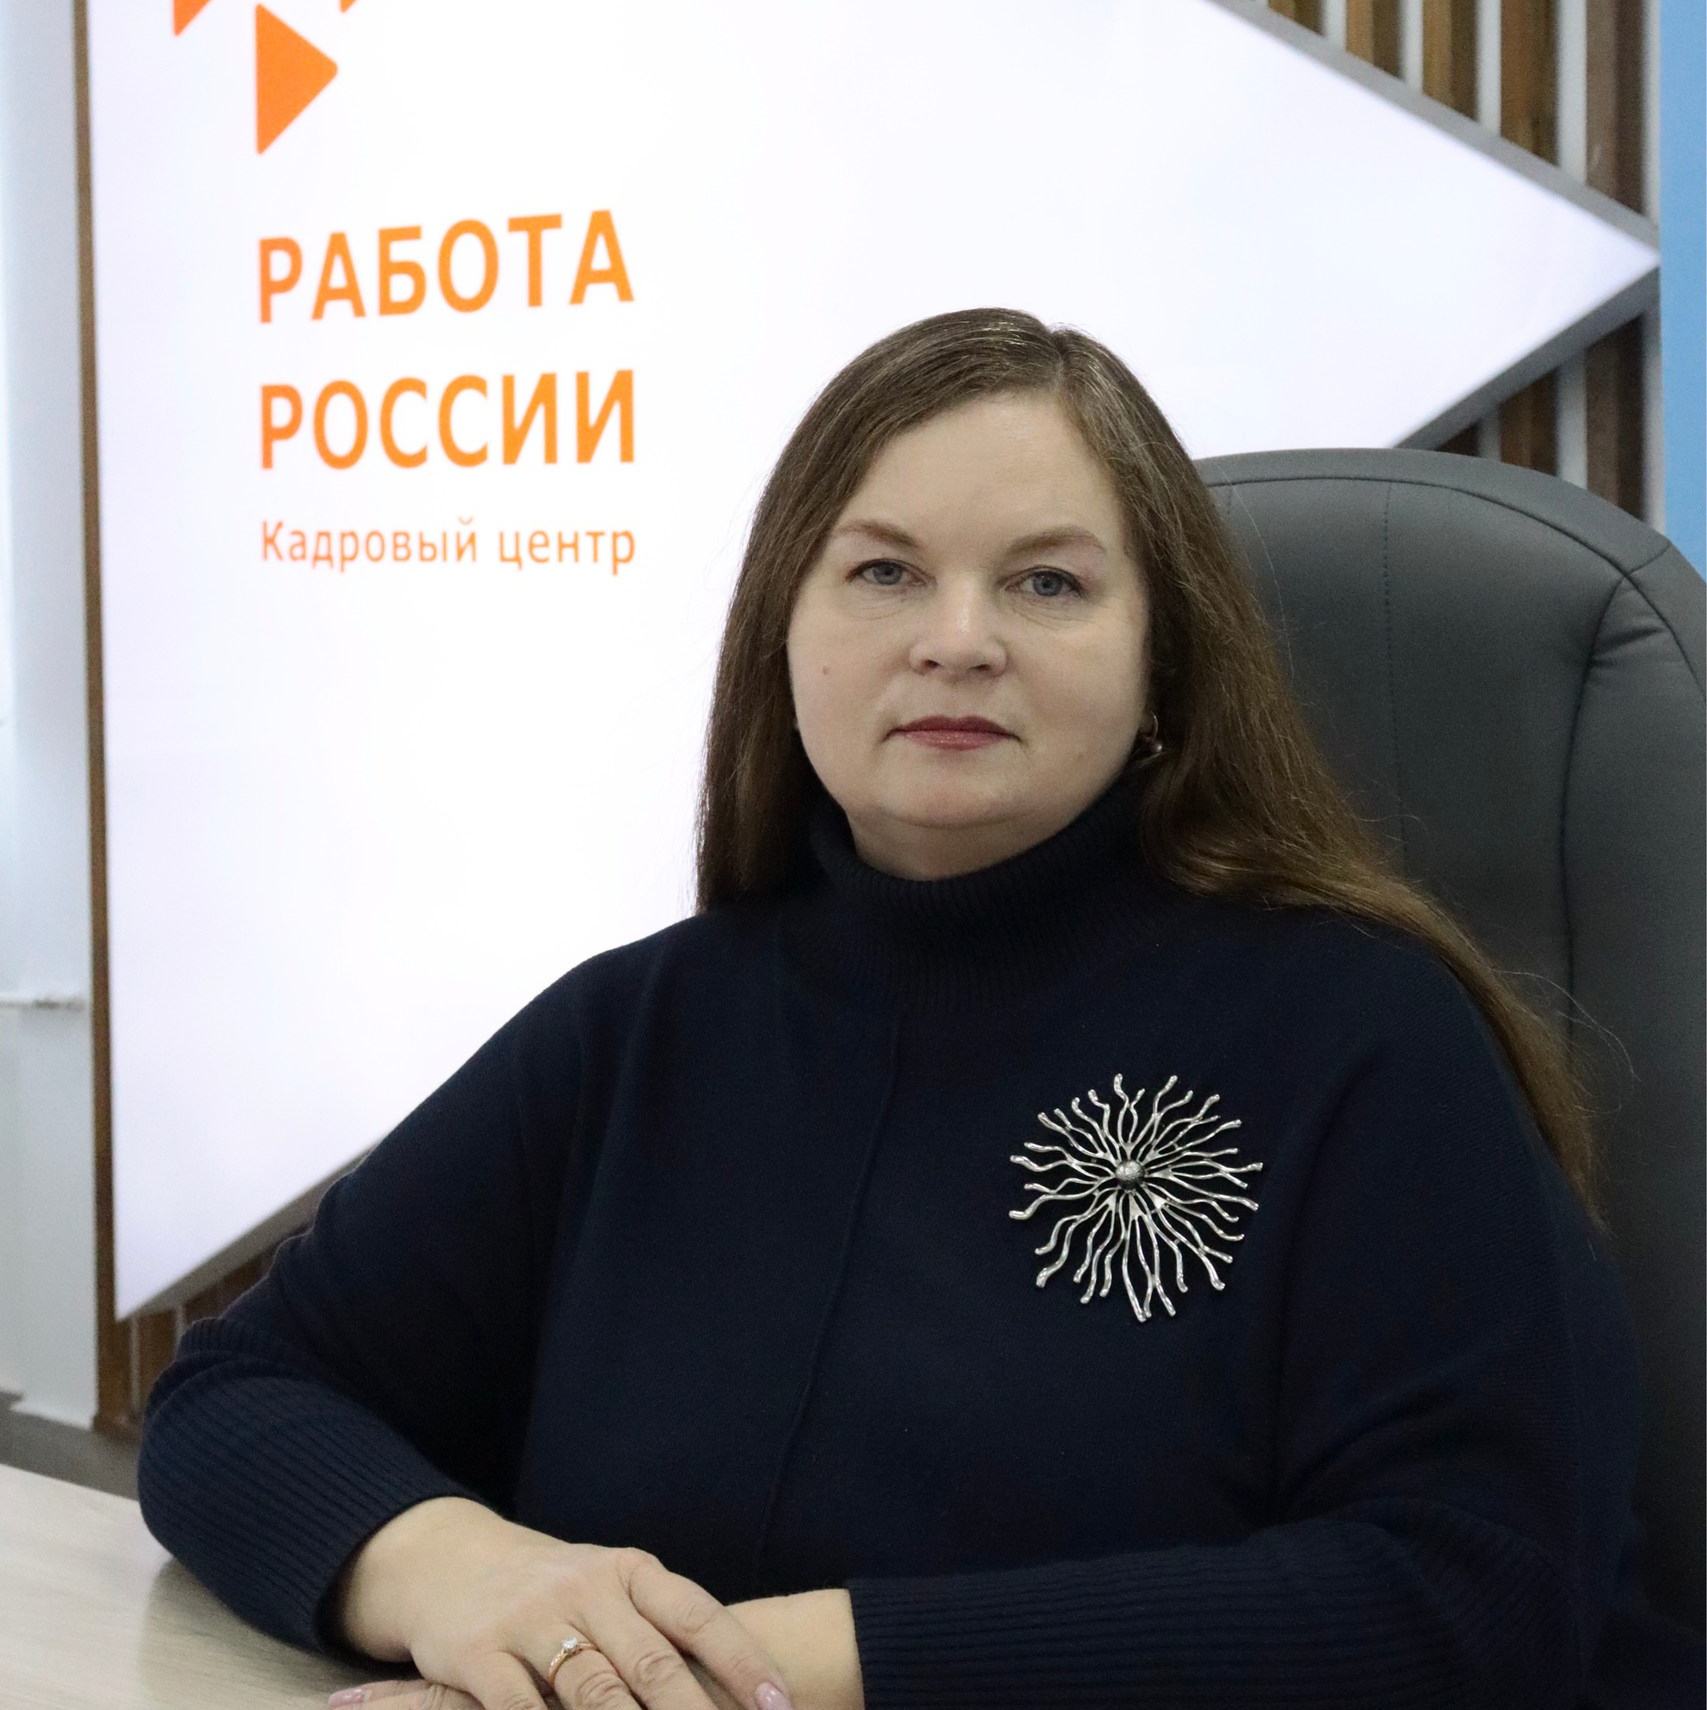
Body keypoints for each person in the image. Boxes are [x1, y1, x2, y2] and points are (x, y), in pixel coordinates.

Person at [136, 308, 1700, 1710]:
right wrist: (472, 1580)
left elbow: (1474, 1589)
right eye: (883, 571)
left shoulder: (1363, 1033)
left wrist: (774, 1668)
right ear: (784, 633)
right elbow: (239, 1393)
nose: (957, 636)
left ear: (1165, 663)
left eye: (1046, 581)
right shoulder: (640, 1033)